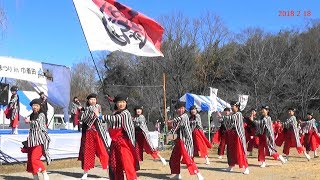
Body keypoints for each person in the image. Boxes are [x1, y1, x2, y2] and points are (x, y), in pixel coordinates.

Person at [99, 94, 139, 180]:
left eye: (123, 102)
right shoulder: (116, 113)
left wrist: (103, 117)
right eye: (119, 102)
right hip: (114, 142)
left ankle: (132, 178)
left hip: (124, 142)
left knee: (127, 163)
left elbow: (117, 119)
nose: (121, 104)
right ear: (116, 104)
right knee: (115, 164)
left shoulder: (125, 113)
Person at [167, 101, 203, 180]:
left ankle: (198, 174)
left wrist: (170, 122)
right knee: (174, 158)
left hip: (185, 141)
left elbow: (177, 123)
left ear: (185, 109)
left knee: (188, 158)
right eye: (179, 108)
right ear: (176, 110)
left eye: (182, 108)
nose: (181, 110)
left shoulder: (185, 116)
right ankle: (177, 174)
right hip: (179, 141)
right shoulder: (180, 117)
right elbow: (174, 129)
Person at [78, 93, 109, 180]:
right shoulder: (86, 109)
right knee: (87, 153)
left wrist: (83, 110)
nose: (93, 101)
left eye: (94, 99)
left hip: (98, 133)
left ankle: (109, 171)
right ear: (88, 101)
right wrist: (82, 110)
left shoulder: (97, 107)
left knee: (103, 152)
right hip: (88, 133)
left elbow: (93, 114)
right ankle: (85, 173)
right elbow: (82, 118)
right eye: (91, 99)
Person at [23, 98, 50, 180]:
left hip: (39, 140)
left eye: (36, 105)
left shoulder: (41, 114)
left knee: (34, 158)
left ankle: (44, 172)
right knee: (30, 160)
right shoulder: (31, 115)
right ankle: (35, 177)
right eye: (33, 105)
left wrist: (30, 122)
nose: (34, 107)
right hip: (32, 140)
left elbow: (38, 124)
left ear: (40, 106)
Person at [223, 101, 249, 174]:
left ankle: (246, 167)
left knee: (240, 151)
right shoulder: (233, 114)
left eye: (233, 106)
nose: (231, 107)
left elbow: (231, 120)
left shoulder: (238, 114)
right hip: (232, 134)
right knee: (231, 151)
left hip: (238, 135)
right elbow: (228, 123)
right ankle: (231, 165)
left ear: (237, 106)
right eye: (231, 106)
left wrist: (223, 117)